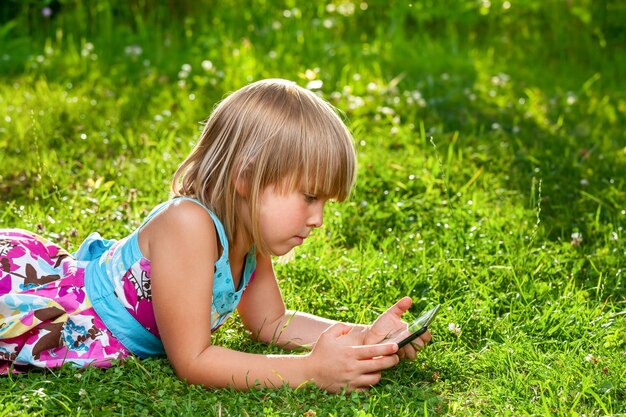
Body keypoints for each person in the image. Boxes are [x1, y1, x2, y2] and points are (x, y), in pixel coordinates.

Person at [0, 79, 431, 392]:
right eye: (309, 197)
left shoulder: (248, 239)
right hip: (71, 310)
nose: (318, 219)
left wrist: (363, 339)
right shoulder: (189, 225)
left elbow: (270, 322)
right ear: (247, 177)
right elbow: (193, 360)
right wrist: (310, 372)